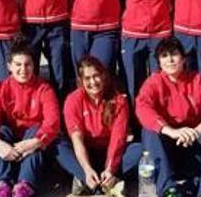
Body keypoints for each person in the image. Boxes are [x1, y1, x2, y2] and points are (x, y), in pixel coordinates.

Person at [135, 37, 201, 197]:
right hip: (167, 145)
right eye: (164, 56)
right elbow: (142, 107)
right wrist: (170, 131)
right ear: (158, 61)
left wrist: (200, 129)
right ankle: (168, 189)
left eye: (174, 54)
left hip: (192, 140)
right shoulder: (154, 82)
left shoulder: (197, 80)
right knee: (148, 131)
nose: (170, 60)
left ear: (183, 58)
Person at [57, 56, 142, 196]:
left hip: (110, 152)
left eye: (96, 76)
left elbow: (118, 138)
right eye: (87, 78)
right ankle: (90, 179)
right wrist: (86, 169)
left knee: (140, 149)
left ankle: (104, 179)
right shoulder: (73, 100)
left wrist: (110, 168)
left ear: (103, 76)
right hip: (85, 152)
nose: (93, 82)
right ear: (81, 81)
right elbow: (77, 138)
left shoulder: (118, 100)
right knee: (58, 145)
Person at [0, 41, 61, 197]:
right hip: (10, 142)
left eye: (28, 64)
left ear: (34, 66)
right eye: (18, 65)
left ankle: (25, 185)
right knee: (0, 131)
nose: (23, 70)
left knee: (36, 130)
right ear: (9, 66)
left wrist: (37, 141)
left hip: (32, 143)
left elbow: (52, 121)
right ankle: (2, 183)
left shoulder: (44, 89)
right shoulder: (1, 88)